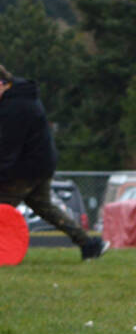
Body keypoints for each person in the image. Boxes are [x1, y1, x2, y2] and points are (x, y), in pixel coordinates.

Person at [0, 64, 104, 260]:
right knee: (46, 208)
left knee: (5, 207)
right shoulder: (21, 97)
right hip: (40, 165)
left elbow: (8, 150)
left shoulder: (15, 108)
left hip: (26, 169)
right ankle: (90, 244)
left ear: (2, 84)